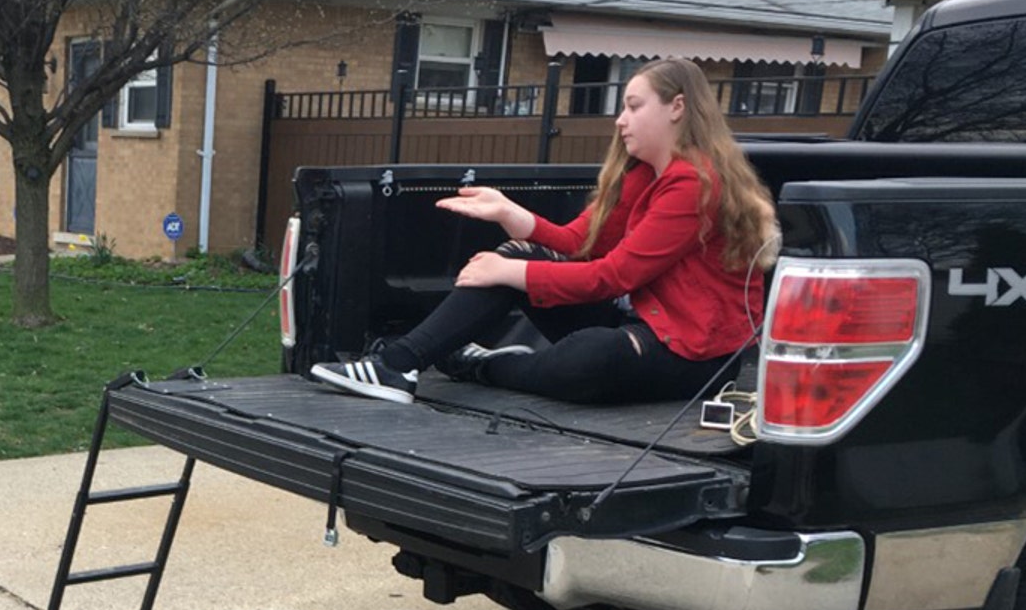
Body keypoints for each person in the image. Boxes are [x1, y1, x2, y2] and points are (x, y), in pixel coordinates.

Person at [311, 57, 779, 406]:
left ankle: (478, 363)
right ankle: (398, 365)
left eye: (634, 107)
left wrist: (508, 275)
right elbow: (582, 243)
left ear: (677, 107)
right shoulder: (644, 175)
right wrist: (512, 215)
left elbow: (611, 277)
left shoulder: (693, 183)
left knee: (589, 358)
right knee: (517, 258)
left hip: (696, 357)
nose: (620, 120)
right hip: (651, 327)